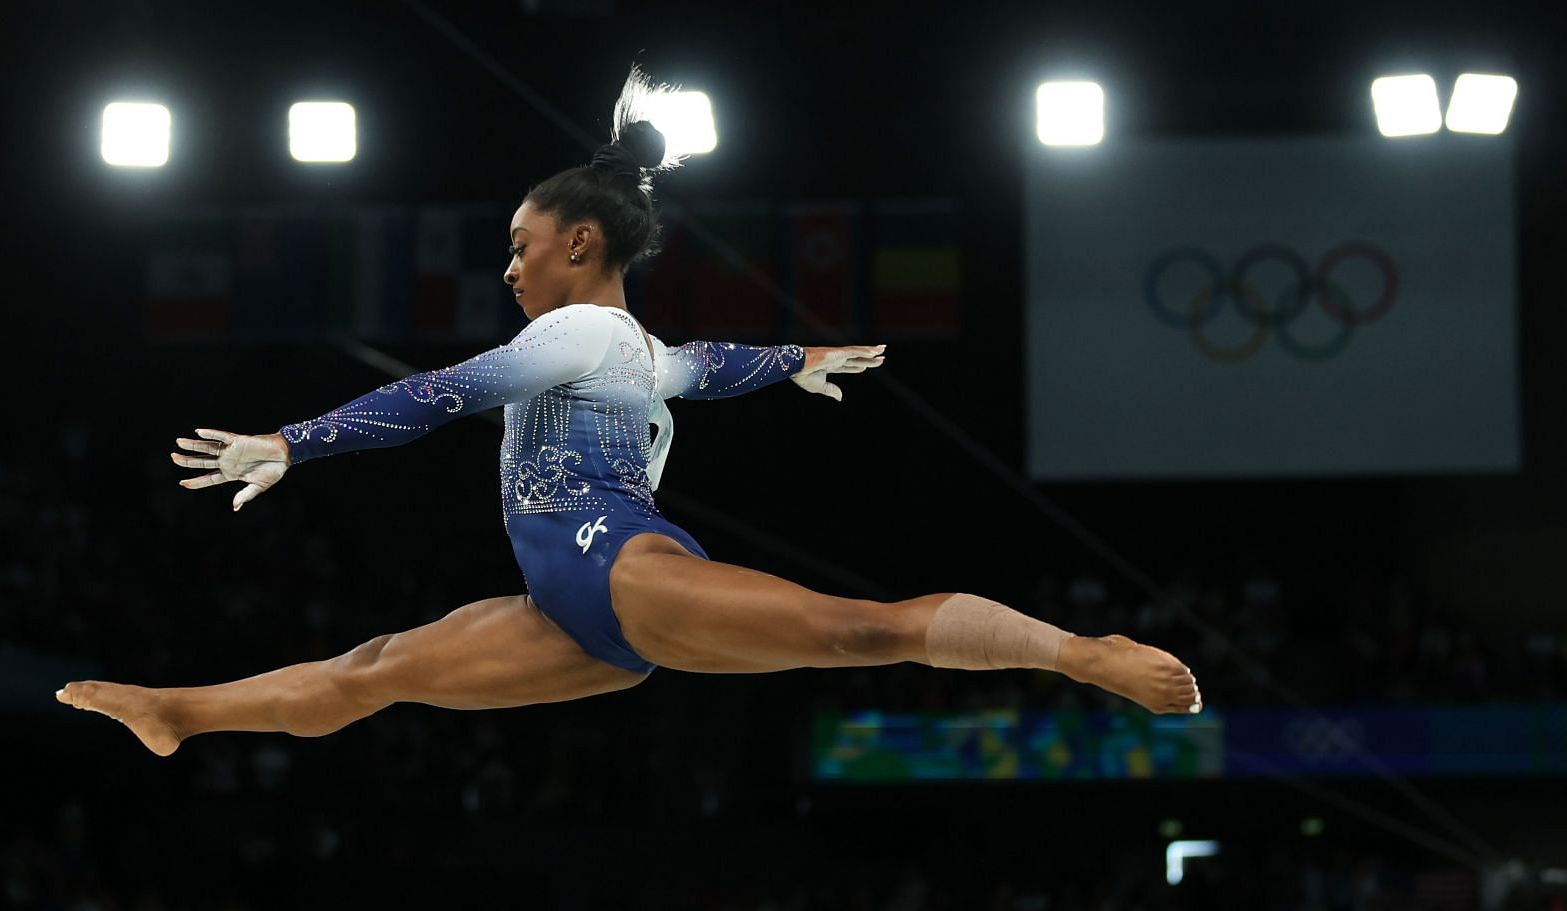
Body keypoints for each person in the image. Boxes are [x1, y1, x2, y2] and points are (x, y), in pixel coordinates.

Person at [59, 65, 1200, 756]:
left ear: (579, 243)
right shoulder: (632, 351)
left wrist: (292, 441)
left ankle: (1083, 652)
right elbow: (706, 362)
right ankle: (178, 711)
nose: (509, 270)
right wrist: (793, 354)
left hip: (616, 563)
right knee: (375, 670)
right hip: (578, 618)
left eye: (519, 248)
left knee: (862, 628)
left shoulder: (571, 335)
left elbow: (442, 394)